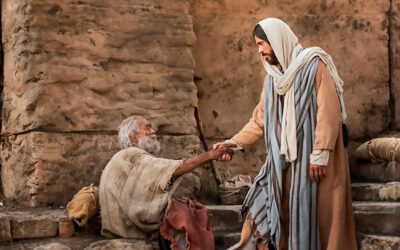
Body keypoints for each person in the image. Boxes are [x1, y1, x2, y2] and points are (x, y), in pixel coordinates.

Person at [214, 18, 357, 250]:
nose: (260, 51)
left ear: (277, 41)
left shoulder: (314, 65)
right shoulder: (273, 78)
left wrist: (320, 153)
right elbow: (259, 120)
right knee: (272, 208)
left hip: (318, 162)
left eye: (262, 44)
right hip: (288, 164)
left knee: (324, 219)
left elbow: (329, 112)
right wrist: (233, 143)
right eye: (257, 45)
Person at [99, 115, 234, 241]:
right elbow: (172, 169)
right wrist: (211, 155)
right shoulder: (131, 155)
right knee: (190, 213)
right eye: (147, 128)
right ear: (133, 138)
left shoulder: (122, 157)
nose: (153, 131)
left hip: (118, 227)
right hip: (127, 229)